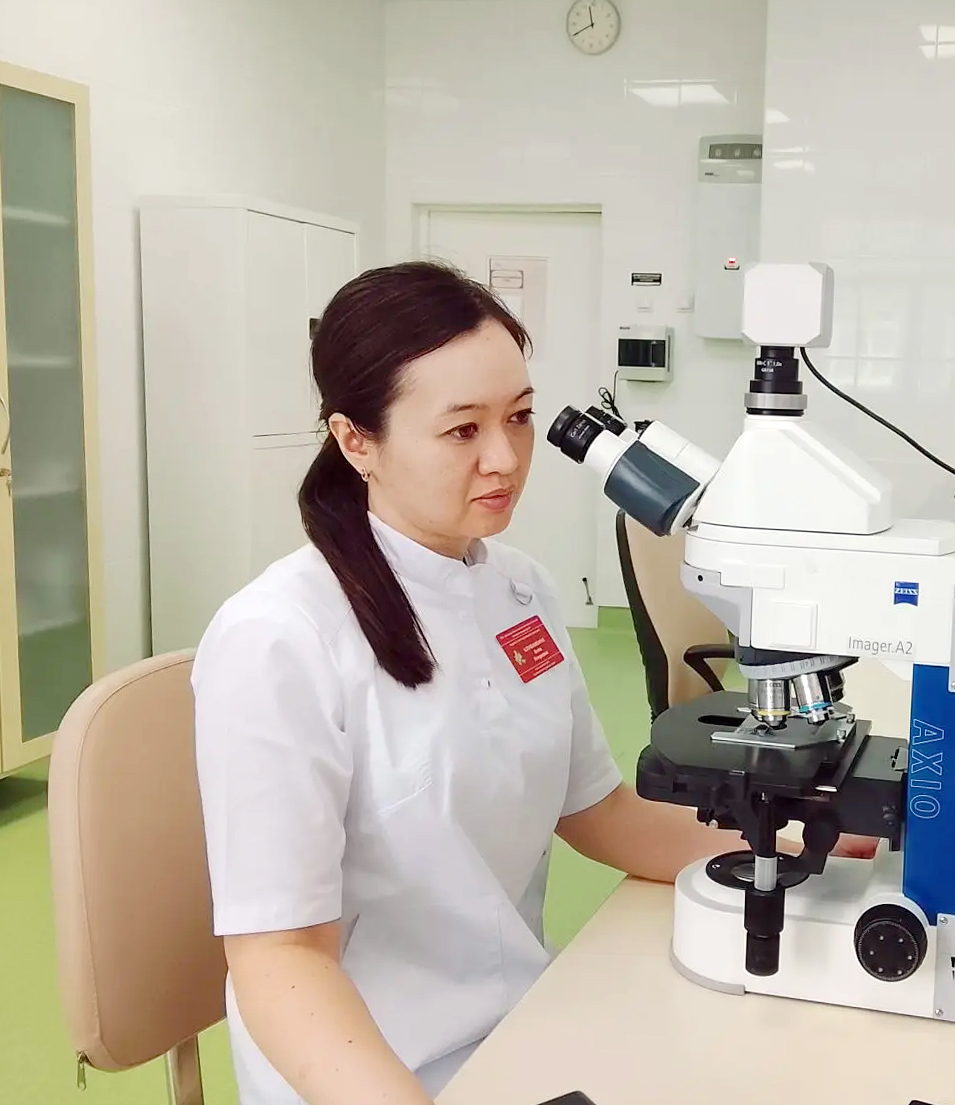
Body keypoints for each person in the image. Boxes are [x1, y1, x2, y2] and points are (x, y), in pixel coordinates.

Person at [192, 261, 874, 1105]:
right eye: (461, 430)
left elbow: (599, 813)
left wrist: (810, 848)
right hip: (381, 1073)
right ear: (355, 439)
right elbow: (279, 959)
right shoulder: (277, 640)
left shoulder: (519, 589)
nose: (504, 458)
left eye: (518, 417)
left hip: (519, 1027)